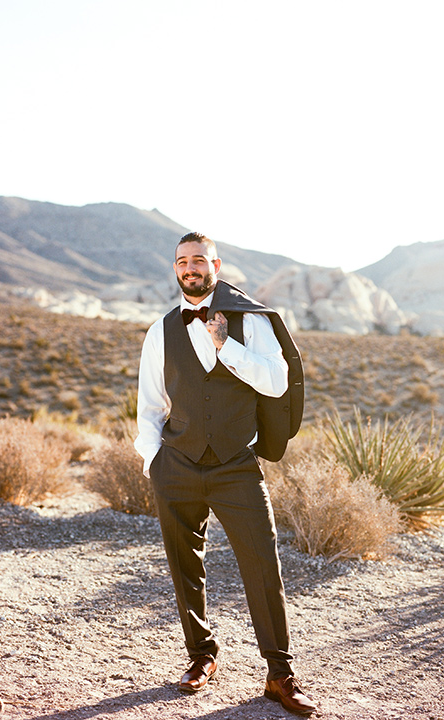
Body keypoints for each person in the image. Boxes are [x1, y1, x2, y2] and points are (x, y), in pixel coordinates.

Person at [134, 232, 316, 716]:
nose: (190, 268)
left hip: (236, 465)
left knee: (263, 564)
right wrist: (153, 459)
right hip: (177, 464)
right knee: (184, 566)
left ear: (215, 264)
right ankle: (201, 656)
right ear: (175, 268)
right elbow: (150, 405)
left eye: (199, 260)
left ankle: (280, 675)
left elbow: (277, 382)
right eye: (182, 261)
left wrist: (226, 345)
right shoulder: (160, 331)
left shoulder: (249, 320)